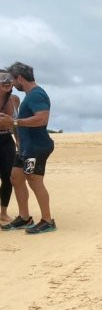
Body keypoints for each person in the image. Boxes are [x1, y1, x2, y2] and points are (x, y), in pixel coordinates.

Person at [0, 62, 56, 233]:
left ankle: (47, 221)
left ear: (20, 78)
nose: (11, 83)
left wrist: (13, 122)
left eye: (12, 79)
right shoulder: (30, 95)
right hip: (26, 147)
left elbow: (42, 119)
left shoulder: (37, 95)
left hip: (36, 147)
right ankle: (24, 218)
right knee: (15, 177)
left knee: (34, 180)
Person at [0, 69, 20, 223]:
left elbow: (15, 124)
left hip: (7, 139)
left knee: (9, 177)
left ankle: (3, 212)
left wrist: (19, 141)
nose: (7, 81)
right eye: (2, 78)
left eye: (9, 78)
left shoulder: (15, 99)